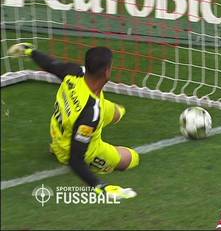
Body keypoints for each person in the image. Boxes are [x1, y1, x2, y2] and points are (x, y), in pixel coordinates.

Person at [7, 43, 139, 199]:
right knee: (132, 158)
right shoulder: (91, 115)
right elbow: (75, 160)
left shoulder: (76, 72)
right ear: (107, 72)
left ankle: (57, 145)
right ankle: (58, 150)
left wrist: (29, 51)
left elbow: (51, 65)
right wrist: (100, 186)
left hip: (60, 129)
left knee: (118, 112)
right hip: (72, 148)